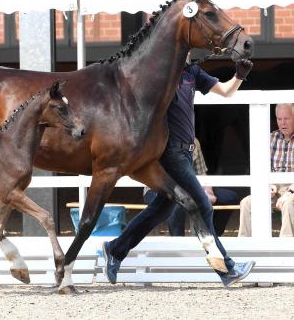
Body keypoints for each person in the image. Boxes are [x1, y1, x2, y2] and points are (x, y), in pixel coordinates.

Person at [102, 55, 255, 287]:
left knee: (161, 210)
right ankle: (227, 269)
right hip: (170, 152)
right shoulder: (160, 73)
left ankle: (115, 249)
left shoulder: (192, 72)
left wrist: (238, 76)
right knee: (202, 204)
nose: (187, 51)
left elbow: (225, 91)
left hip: (186, 151)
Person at [144, 138, 240, 236]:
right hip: (157, 189)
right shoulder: (159, 139)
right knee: (176, 205)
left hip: (188, 188)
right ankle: (178, 243)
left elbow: (201, 172)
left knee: (230, 198)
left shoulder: (194, 142)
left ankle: (210, 237)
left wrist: (209, 193)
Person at [238, 103, 294, 237]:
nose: (282, 123)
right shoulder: (270, 138)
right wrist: (269, 185)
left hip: (292, 188)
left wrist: (290, 191)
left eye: (286, 118)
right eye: (279, 119)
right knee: (246, 202)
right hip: (273, 186)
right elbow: (261, 166)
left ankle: (285, 249)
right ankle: (244, 247)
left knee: (289, 203)